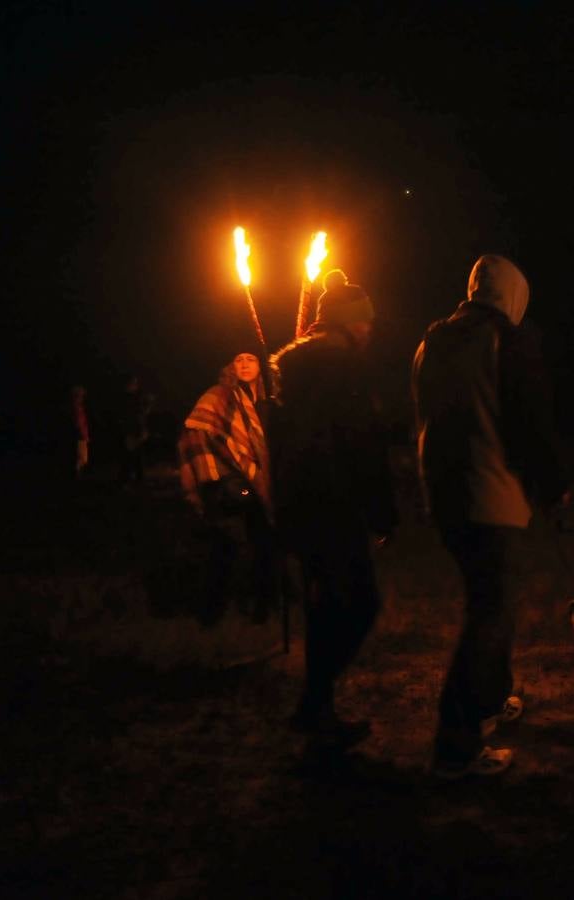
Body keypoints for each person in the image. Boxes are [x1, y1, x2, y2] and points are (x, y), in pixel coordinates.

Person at [413, 254, 567, 779]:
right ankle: (456, 746)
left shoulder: (432, 342)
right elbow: (528, 421)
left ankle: (493, 698)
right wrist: (553, 488)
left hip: (446, 496)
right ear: (514, 296)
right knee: (489, 612)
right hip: (491, 493)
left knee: (494, 603)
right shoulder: (507, 340)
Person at [271, 269, 396, 745]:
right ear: (348, 324)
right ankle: (315, 701)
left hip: (300, 507)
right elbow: (363, 444)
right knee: (361, 604)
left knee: (326, 608)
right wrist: (382, 512)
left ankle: (315, 708)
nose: (369, 331)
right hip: (335, 504)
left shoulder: (292, 373)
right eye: (364, 323)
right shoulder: (345, 370)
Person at [177, 349, 277, 625]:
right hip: (228, 482)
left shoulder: (266, 401)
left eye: (251, 359)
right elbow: (196, 429)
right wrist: (217, 467)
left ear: (261, 365)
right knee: (225, 544)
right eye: (238, 359)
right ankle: (211, 612)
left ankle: (263, 606)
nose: (244, 364)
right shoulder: (218, 394)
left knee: (264, 544)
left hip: (257, 480)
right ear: (230, 365)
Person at [118, 374, 150, 485]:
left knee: (137, 455)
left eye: (136, 383)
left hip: (136, 430)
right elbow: (130, 416)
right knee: (129, 455)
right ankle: (125, 479)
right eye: (134, 383)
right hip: (130, 431)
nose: (136, 385)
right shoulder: (126, 399)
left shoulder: (135, 399)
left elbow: (141, 414)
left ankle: (137, 479)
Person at [72, 385, 90, 477]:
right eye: (81, 396)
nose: (82, 398)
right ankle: (78, 477)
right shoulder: (76, 408)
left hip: (81, 435)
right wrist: (84, 435)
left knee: (82, 459)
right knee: (82, 459)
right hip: (80, 436)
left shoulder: (79, 407)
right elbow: (79, 423)